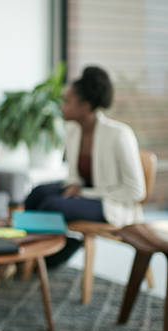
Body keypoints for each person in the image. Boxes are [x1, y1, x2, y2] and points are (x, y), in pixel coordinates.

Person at [25, 65, 146, 266]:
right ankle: (26, 255)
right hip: (87, 193)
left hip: (112, 204)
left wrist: (84, 192)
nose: (62, 105)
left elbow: (136, 191)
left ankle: (46, 258)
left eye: (67, 101)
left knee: (53, 206)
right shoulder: (73, 130)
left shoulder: (119, 134)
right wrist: (75, 185)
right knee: (37, 193)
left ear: (86, 106)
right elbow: (75, 175)